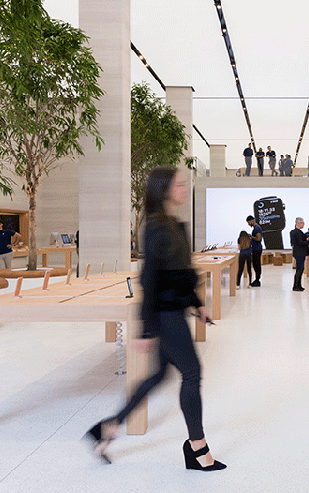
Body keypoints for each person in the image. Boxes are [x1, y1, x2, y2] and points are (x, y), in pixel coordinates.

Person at [85, 167, 225, 471]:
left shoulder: (176, 225)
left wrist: (198, 304)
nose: (184, 189)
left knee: (160, 375)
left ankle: (108, 428)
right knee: (191, 374)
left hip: (175, 309)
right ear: (163, 189)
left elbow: (182, 273)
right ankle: (198, 448)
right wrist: (146, 330)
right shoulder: (154, 227)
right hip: (165, 314)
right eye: (179, 184)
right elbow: (150, 278)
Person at [290, 217, 309, 291]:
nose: (303, 224)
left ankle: (298, 285)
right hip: (300, 253)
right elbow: (300, 243)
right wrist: (308, 242)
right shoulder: (297, 232)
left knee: (300, 269)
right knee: (299, 269)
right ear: (298, 223)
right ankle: (296, 286)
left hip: (299, 253)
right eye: (302, 223)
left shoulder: (296, 232)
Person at [246, 214, 263, 287]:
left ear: (252, 220)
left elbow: (258, 238)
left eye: (248, 222)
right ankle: (256, 280)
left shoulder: (257, 228)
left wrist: (250, 236)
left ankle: (257, 280)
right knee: (256, 264)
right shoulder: (256, 228)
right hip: (255, 249)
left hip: (257, 249)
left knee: (257, 265)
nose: (248, 224)